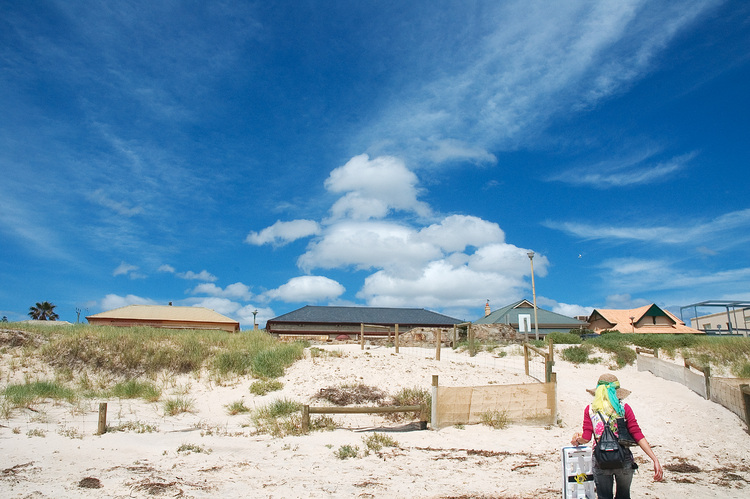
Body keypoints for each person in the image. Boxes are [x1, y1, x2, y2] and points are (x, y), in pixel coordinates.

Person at [570, 373, 663, 499]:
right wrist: (654, 459)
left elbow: (586, 437)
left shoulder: (590, 410)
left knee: (604, 497)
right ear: (616, 392)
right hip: (623, 459)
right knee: (624, 496)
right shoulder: (623, 408)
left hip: (600, 460)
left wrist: (577, 440)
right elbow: (637, 434)